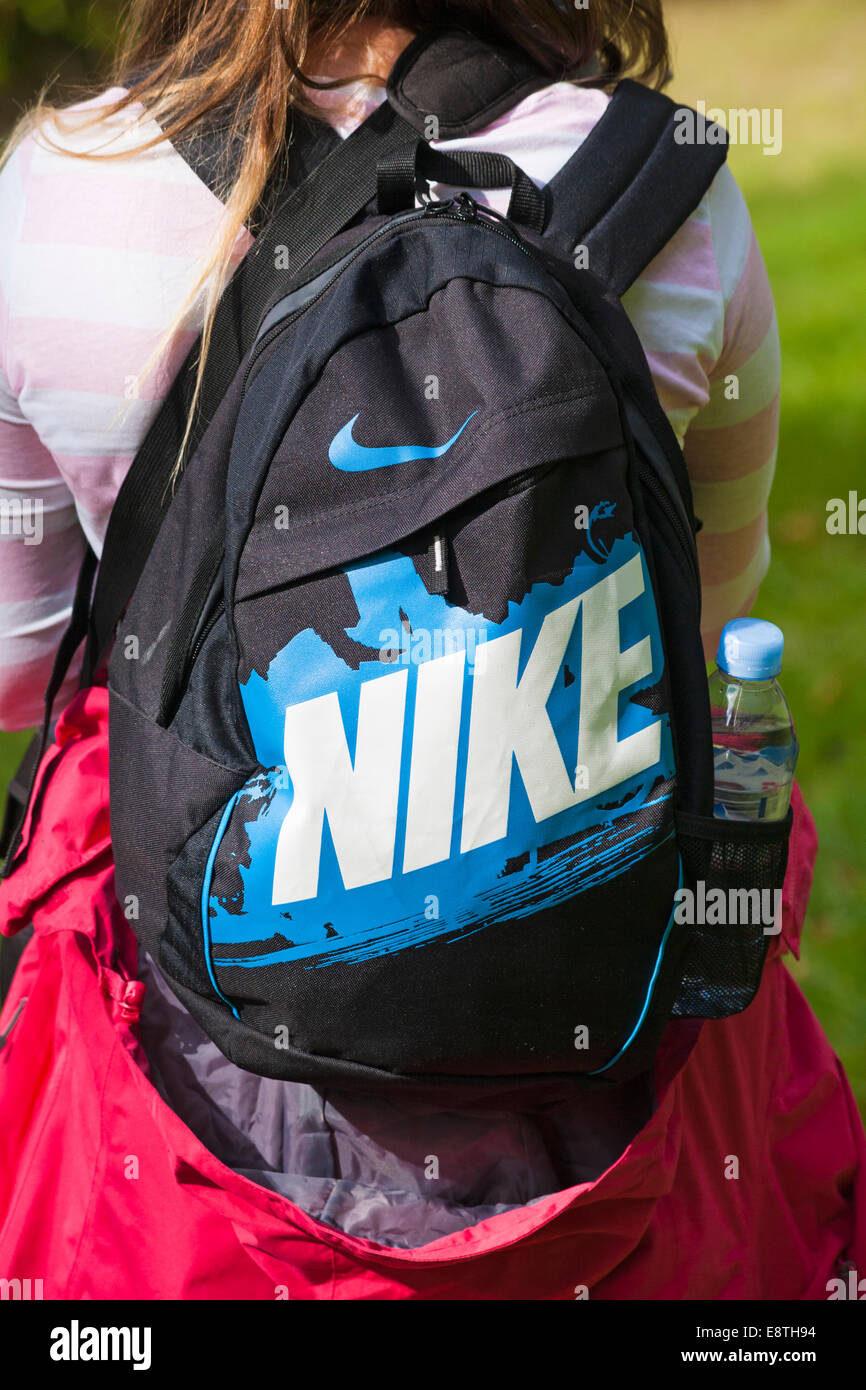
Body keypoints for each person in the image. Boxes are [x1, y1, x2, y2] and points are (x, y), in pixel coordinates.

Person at [0, 1, 863, 1299]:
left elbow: (19, 662)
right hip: (596, 1001)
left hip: (206, 1032)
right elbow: (704, 611)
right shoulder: (664, 178)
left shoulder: (65, 185)